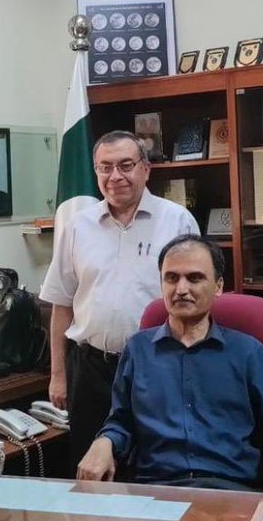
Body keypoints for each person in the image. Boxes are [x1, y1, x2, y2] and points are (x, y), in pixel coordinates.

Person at [77, 235, 263, 494]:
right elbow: (121, 421)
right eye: (171, 278)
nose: (181, 289)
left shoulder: (247, 352)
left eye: (194, 278)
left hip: (231, 493)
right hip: (155, 492)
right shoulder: (138, 350)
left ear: (218, 286)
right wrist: (104, 441)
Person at [40, 130, 198, 474]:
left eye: (126, 165)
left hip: (159, 366)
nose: (115, 176)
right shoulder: (78, 226)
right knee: (91, 466)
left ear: (146, 169)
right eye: (105, 168)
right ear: (96, 173)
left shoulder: (177, 221)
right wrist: (58, 376)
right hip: (91, 369)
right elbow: (61, 303)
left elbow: (198, 302)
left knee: (155, 464)